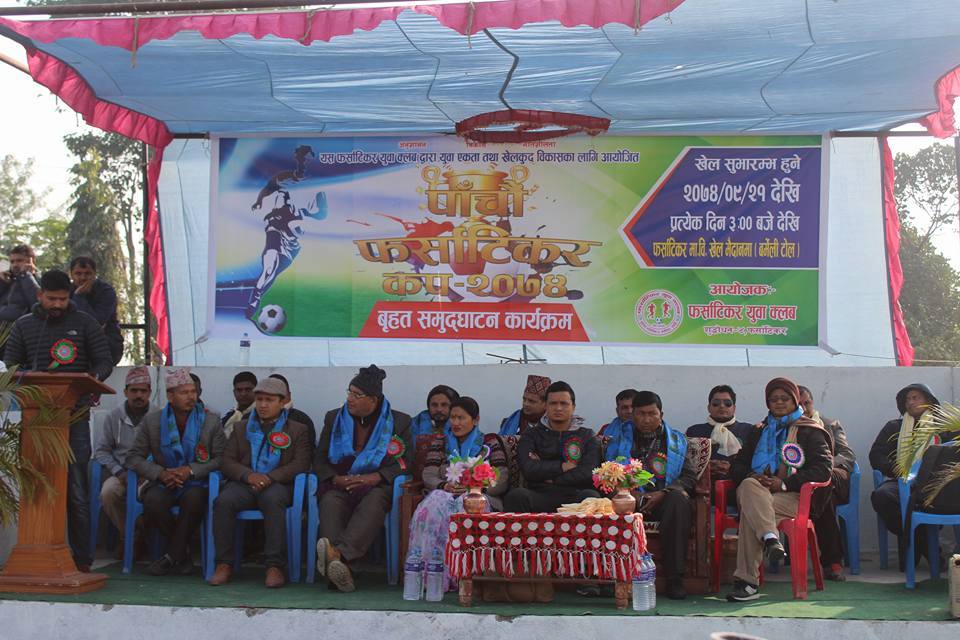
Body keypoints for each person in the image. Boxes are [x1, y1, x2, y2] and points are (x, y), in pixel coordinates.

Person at [4, 268, 113, 571]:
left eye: (62, 299)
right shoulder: (24, 325)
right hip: (35, 420)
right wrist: (28, 377)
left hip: (74, 416)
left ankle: (81, 560)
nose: (57, 305)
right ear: (40, 295)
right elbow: (10, 365)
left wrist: (90, 379)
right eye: (51, 299)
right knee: (36, 486)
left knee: (76, 490)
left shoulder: (85, 322)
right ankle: (35, 553)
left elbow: (104, 361)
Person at [726, 378, 833, 602]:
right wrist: (753, 475)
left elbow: (823, 469)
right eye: (774, 399)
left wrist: (783, 484)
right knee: (749, 486)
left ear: (795, 401)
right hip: (757, 492)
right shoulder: (759, 431)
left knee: (751, 512)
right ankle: (771, 539)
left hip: (793, 497)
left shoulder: (809, 430)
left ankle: (748, 583)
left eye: (785, 398)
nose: (779, 403)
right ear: (768, 403)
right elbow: (737, 466)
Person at [313, 365, 412, 592]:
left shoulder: (399, 422)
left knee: (375, 501)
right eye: (349, 392)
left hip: (376, 485)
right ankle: (343, 569)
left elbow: (405, 462)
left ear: (373, 400)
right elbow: (319, 459)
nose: (350, 399)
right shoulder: (334, 418)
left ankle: (338, 557)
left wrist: (375, 477)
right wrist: (335, 478)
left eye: (357, 395)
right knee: (330, 502)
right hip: (341, 482)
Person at [210, 377, 312, 588]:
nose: (263, 405)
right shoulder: (241, 428)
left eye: (269, 400)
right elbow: (227, 461)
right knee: (224, 501)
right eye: (260, 400)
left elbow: (301, 463)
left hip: (278, 484)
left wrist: (270, 477)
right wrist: (249, 476)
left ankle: (274, 566)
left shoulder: (297, 429)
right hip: (246, 483)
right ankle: (223, 564)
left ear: (282, 402)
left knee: (272, 500)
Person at [127, 368, 225, 576]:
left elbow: (220, 459)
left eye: (193, 392)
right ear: (170, 396)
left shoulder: (211, 421)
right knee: (153, 501)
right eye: (184, 393)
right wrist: (161, 473)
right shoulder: (152, 421)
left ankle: (171, 555)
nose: (191, 397)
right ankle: (181, 553)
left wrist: (190, 470)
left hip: (196, 482)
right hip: (164, 480)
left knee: (194, 499)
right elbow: (134, 457)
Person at [407, 396, 509, 590]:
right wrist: (443, 485)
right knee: (436, 502)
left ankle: (464, 575)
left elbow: (502, 476)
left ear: (475, 420)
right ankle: (432, 575)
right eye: (453, 418)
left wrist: (476, 488)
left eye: (461, 418)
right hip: (446, 493)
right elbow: (428, 473)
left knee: (465, 504)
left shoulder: (489, 443)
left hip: (478, 496)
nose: (455, 423)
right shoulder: (441, 442)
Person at [621, 390, 698, 600]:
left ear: (661, 415)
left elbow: (689, 477)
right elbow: (607, 472)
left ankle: (675, 579)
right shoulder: (620, 440)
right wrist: (628, 493)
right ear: (633, 415)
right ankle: (612, 577)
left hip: (663, 500)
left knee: (679, 500)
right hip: (629, 499)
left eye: (651, 414)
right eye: (641, 414)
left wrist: (663, 493)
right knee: (604, 499)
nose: (646, 419)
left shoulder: (677, 441)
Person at [247, 145, 327, 323]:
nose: (304, 164)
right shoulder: (283, 178)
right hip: (275, 228)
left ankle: (258, 293)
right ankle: (255, 298)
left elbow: (322, 214)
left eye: (307, 160)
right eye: (302, 159)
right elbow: (268, 188)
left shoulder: (318, 187)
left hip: (292, 242)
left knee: (273, 273)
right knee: (269, 266)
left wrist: (308, 214)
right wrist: (259, 202)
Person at [869, 383, 941, 567]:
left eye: (915, 398)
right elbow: (876, 455)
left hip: (934, 484)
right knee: (882, 496)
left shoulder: (942, 427)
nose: (910, 402)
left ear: (929, 401)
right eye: (907, 399)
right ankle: (925, 546)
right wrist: (897, 469)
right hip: (901, 480)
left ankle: (911, 550)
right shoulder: (894, 427)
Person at [503, 381, 601, 513]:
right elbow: (529, 468)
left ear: (573, 407)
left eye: (564, 403)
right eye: (553, 403)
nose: (558, 408)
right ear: (546, 406)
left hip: (575, 494)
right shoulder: (531, 434)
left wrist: (553, 478)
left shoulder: (587, 435)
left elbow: (589, 472)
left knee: (592, 498)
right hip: (540, 494)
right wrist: (562, 467)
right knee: (516, 496)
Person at [799, 385, 856, 581]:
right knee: (823, 493)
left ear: (813, 403)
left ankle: (830, 559)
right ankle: (833, 562)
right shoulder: (789, 428)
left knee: (825, 481)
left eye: (807, 403)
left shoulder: (830, 425)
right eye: (799, 404)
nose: (804, 408)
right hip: (810, 483)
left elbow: (847, 455)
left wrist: (824, 464)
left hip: (834, 475)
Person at [93, 366, 153, 541]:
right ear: (126, 392)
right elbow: (101, 450)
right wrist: (119, 472)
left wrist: (149, 472)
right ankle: (131, 536)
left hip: (149, 476)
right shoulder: (114, 416)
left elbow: (164, 450)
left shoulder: (158, 415)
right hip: (122, 474)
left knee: (155, 499)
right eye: (134, 390)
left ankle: (142, 539)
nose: (138, 395)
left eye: (143, 391)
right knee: (108, 493)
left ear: (150, 393)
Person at [685, 385, 753, 482]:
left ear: (734, 408)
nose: (722, 406)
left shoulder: (748, 430)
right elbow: (686, 464)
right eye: (716, 403)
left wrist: (732, 468)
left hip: (739, 484)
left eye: (727, 403)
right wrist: (706, 467)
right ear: (709, 407)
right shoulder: (694, 431)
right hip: (700, 484)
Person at [69, 256, 123, 365]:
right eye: (78, 274)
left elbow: (95, 322)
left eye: (87, 274)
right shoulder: (66, 291)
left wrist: (79, 297)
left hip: (107, 344)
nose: (83, 278)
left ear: (94, 274)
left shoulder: (106, 291)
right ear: (71, 274)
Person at [267, 373, 317, 447]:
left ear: (289, 395)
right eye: (271, 392)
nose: (276, 396)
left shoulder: (302, 420)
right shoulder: (252, 418)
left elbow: (307, 450)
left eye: (281, 392)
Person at [0, 244, 40, 324]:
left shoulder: (40, 281)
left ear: (31, 262)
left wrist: (26, 276)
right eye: (12, 262)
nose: (15, 265)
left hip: (22, 327)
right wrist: (2, 282)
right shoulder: (9, 280)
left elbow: (38, 305)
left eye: (19, 260)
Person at [221, 371, 257, 439]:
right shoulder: (230, 416)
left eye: (248, 389)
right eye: (239, 390)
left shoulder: (261, 416)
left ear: (256, 391)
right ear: (234, 392)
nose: (243, 394)